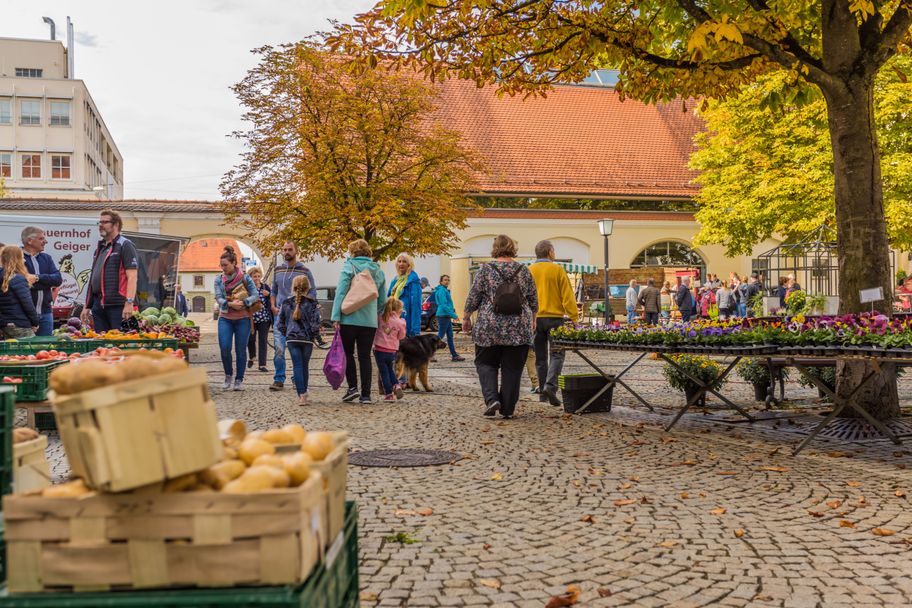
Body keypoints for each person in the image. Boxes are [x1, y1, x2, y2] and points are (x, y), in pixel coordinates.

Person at [463, 235, 537, 419]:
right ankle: (508, 408)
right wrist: (533, 318)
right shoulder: (524, 270)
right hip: (518, 327)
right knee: (513, 368)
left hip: (489, 326)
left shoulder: (485, 270)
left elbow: (474, 296)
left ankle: (491, 399)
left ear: (494, 248)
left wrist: (466, 317)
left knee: (485, 363)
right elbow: (533, 299)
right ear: (513, 248)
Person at [331, 239, 387, 404]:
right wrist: (373, 312)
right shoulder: (378, 270)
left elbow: (340, 293)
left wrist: (336, 317)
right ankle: (366, 395)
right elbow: (382, 299)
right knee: (365, 356)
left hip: (349, 318)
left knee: (348, 354)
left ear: (352, 252)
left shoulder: (349, 267)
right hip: (369, 322)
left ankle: (352, 388)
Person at [529, 240, 577, 405]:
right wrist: (574, 317)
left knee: (540, 358)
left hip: (535, 320)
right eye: (554, 251)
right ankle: (550, 386)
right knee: (557, 354)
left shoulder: (529, 270)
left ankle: (543, 393)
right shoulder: (557, 269)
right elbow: (568, 296)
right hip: (555, 320)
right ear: (549, 252)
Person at [81, 209, 139, 332]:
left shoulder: (125, 245)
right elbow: (93, 278)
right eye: (100, 222)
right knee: (102, 346)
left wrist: (129, 302)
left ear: (116, 224)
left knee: (119, 344)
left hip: (118, 306)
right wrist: (87, 305)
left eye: (105, 222)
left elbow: (132, 277)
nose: (101, 225)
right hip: (99, 305)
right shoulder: (100, 248)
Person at [269, 242, 316, 391]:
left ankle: (298, 378)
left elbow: (312, 292)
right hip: (281, 315)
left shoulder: (304, 271)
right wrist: (273, 306)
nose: (287, 252)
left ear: (296, 251)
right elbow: (273, 291)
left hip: (298, 317)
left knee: (297, 349)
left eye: (290, 249)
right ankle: (279, 378)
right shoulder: (277, 270)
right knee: (279, 348)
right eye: (284, 249)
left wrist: (305, 308)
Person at [214, 246, 259, 391]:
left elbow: (255, 295)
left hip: (243, 318)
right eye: (221, 265)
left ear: (234, 263)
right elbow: (218, 297)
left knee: (241, 350)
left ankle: (239, 379)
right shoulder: (218, 280)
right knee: (225, 347)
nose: (223, 268)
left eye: (225, 265)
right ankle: (228, 375)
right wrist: (229, 303)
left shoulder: (245, 278)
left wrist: (245, 302)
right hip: (225, 317)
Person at [277, 275, 321, 405]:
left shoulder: (286, 303)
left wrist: (288, 333)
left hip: (292, 339)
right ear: (308, 288)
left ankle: (301, 394)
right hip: (307, 339)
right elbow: (316, 323)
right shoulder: (313, 303)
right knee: (304, 366)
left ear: (293, 287)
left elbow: (280, 324)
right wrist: (314, 335)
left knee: (297, 365)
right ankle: (304, 392)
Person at [21, 226, 62, 336]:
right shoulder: (18, 258)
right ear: (29, 241)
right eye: (41, 238)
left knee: (45, 350)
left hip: (46, 313)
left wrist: (37, 278)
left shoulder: (46, 258)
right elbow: (22, 284)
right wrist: (47, 282)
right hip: (24, 315)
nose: (45, 241)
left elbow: (58, 280)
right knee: (25, 351)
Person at [0, 245, 40, 339]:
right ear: (16, 259)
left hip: (3, 325)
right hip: (19, 324)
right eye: (22, 257)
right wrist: (35, 322)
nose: (24, 260)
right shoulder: (18, 279)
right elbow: (27, 304)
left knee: (8, 353)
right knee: (29, 351)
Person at [374, 298, 407, 401]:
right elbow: (401, 337)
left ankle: (389, 394)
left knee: (384, 372)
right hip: (391, 350)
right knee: (390, 370)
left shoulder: (381, 317)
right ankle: (396, 385)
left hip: (379, 349)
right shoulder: (400, 322)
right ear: (399, 310)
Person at [387, 253, 422, 337]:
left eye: (404, 261)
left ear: (409, 264)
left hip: (406, 319)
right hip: (394, 318)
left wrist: (415, 329)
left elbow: (416, 306)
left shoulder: (413, 281)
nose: (401, 264)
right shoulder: (395, 280)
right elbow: (388, 298)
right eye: (399, 261)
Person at [246, 266, 272, 372]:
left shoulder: (265, 287)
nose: (256, 278)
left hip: (264, 318)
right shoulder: (247, 288)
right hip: (251, 318)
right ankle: (252, 357)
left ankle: (262, 364)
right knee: (250, 339)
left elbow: (273, 298)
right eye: (254, 276)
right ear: (250, 277)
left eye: (258, 276)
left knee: (263, 341)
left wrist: (269, 295)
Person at [433, 275, 464, 361]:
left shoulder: (444, 290)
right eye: (445, 280)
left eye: (448, 280)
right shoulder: (442, 291)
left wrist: (451, 313)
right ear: (441, 281)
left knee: (450, 336)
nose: (447, 281)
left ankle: (454, 355)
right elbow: (444, 305)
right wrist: (454, 315)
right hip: (443, 315)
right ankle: (430, 354)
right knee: (440, 336)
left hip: (446, 315)